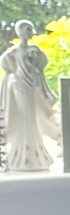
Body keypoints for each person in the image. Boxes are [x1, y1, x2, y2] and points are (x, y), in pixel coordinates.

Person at [0, 19, 60, 172]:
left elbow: (42, 63)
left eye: (30, 29)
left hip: (31, 88)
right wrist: (16, 75)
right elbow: (5, 63)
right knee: (22, 119)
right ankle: (19, 155)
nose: (29, 33)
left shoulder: (35, 50)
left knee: (32, 120)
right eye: (27, 29)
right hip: (19, 87)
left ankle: (34, 153)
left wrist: (35, 69)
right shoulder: (13, 52)